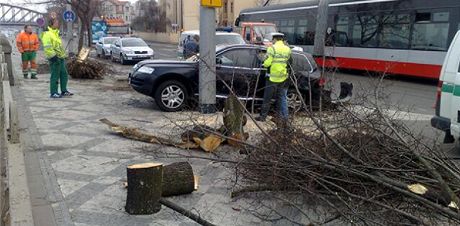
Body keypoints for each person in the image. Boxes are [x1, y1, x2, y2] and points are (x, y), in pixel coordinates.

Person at [256, 33, 292, 122]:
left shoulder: (272, 49)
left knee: (267, 97)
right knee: (281, 98)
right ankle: (283, 117)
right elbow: (289, 62)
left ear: (275, 39)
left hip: (272, 78)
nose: (272, 41)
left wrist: (263, 63)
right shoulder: (287, 49)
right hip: (283, 77)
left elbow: (268, 62)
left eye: (272, 39)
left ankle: (263, 117)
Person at [41, 18, 73, 98]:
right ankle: (54, 92)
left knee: (64, 74)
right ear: (52, 24)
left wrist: (64, 55)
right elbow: (47, 47)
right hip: (54, 58)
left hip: (60, 58)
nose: (58, 24)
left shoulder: (55, 33)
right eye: (56, 22)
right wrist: (53, 56)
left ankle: (64, 90)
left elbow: (58, 47)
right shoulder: (47, 34)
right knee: (55, 75)